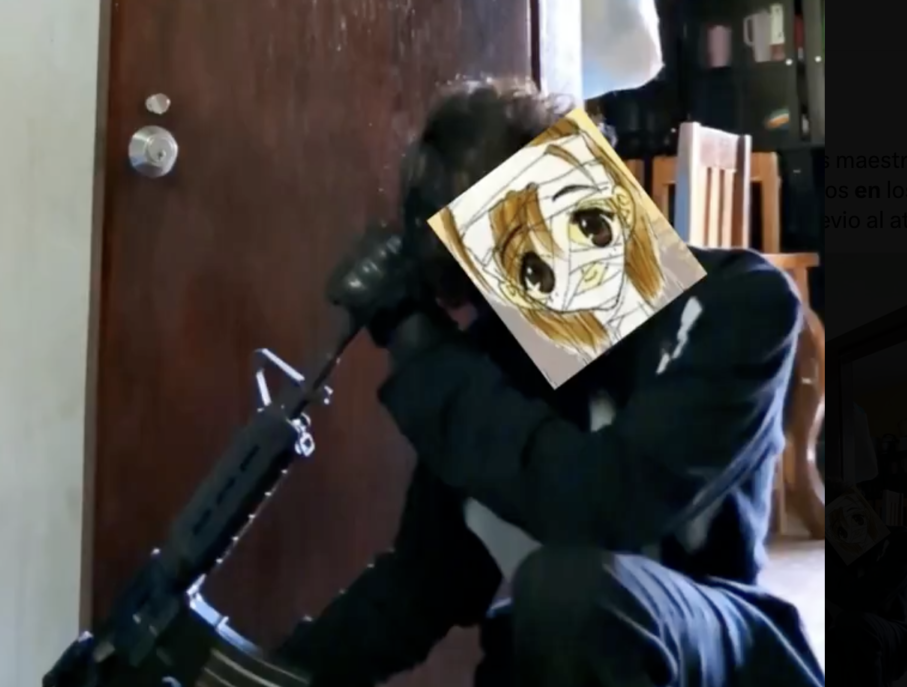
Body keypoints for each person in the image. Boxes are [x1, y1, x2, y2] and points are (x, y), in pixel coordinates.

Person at [276, 78, 824, 687]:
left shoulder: (740, 302)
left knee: (566, 596)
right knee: (531, 634)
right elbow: (420, 583)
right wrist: (269, 675)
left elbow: (613, 501)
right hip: (583, 647)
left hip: (723, 655)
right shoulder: (506, 364)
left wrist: (425, 352)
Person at [825, 479, 907, 687]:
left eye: (856, 517)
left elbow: (865, 598)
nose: (853, 529)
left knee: (854, 625)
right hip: (839, 630)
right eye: (841, 528)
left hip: (885, 630)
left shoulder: (901, 541)